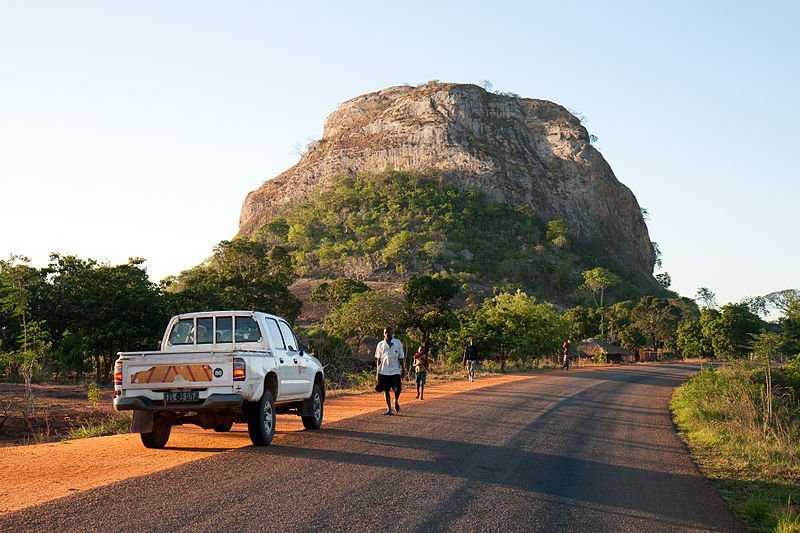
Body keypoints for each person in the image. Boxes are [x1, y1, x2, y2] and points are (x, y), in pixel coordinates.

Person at [374, 327, 405, 415]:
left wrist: (403, 369)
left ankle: (395, 400)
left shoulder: (397, 343)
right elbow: (378, 359)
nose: (387, 334)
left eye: (389, 332)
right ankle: (389, 409)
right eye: (386, 332)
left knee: (398, 388)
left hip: (395, 370)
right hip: (384, 371)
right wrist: (377, 372)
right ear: (383, 334)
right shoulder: (380, 344)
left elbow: (401, 357)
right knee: (386, 390)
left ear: (392, 333)